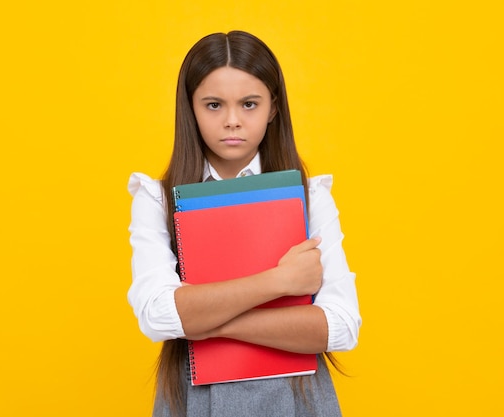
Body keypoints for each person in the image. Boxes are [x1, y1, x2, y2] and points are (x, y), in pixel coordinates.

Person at [127, 30, 361, 417]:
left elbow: (339, 326)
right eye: (214, 105)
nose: (232, 121)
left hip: (296, 397)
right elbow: (159, 315)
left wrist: (208, 322)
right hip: (195, 399)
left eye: (249, 104)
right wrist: (280, 281)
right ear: (191, 108)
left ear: (273, 108)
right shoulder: (157, 197)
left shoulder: (311, 195)